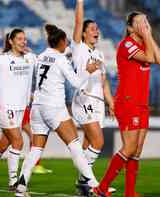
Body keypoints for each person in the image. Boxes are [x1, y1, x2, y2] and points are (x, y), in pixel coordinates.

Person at [14, 24, 100, 197]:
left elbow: (64, 52)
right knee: (75, 145)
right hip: (54, 107)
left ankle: (21, 185)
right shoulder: (60, 60)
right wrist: (88, 70)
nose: (67, 44)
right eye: (66, 41)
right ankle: (94, 185)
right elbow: (76, 82)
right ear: (60, 42)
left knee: (36, 149)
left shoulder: (41, 56)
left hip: (37, 108)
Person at [92, 12, 160, 197]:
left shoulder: (143, 42)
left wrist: (149, 35)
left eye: (146, 21)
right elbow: (149, 58)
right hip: (127, 101)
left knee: (137, 150)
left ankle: (130, 193)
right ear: (130, 28)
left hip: (141, 103)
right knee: (129, 147)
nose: (144, 25)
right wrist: (147, 35)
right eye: (140, 22)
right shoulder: (127, 45)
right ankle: (102, 188)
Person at [71, 1, 115, 195]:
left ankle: (83, 184)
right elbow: (78, 20)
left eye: (97, 28)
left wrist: (110, 102)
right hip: (84, 99)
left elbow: (104, 81)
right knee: (99, 142)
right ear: (83, 33)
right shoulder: (79, 48)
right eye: (92, 28)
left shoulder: (99, 54)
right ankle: (89, 181)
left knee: (89, 143)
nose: (96, 31)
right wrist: (80, 2)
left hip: (97, 102)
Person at [0, 28, 36, 191]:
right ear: (11, 41)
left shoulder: (30, 58)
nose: (24, 42)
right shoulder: (0, 60)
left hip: (22, 108)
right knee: (18, 141)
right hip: (5, 107)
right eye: (20, 39)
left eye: (25, 39)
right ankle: (13, 181)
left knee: (4, 143)